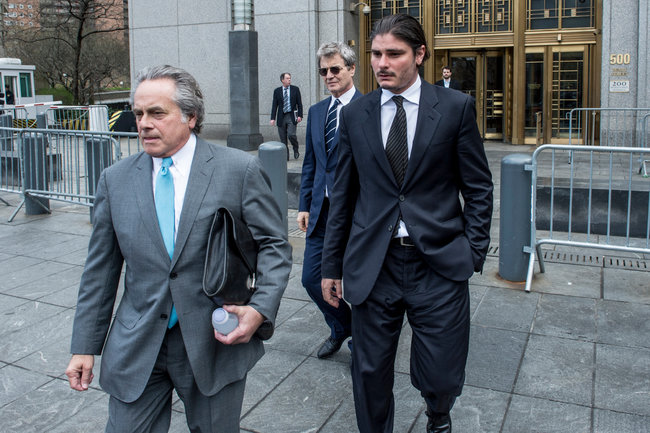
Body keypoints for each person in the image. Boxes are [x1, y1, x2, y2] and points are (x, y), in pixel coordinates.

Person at [65, 65, 292, 432]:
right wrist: (84, 345)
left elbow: (274, 246)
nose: (143, 123)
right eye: (139, 113)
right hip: (138, 342)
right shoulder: (115, 180)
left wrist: (259, 309)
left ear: (191, 116)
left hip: (214, 341)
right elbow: (100, 271)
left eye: (157, 113)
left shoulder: (238, 170)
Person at [321, 14, 493, 433]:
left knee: (442, 370)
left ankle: (438, 415)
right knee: (368, 371)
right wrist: (331, 266)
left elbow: (478, 187)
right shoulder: (356, 114)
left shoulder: (454, 108)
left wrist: (473, 251)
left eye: (394, 54)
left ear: (419, 55)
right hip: (373, 264)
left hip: (438, 262)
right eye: (376, 54)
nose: (382, 63)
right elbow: (343, 196)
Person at [297, 42, 362, 359]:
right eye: (323, 71)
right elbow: (311, 163)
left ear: (351, 68)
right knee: (311, 279)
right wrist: (304, 204)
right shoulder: (316, 111)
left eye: (335, 69)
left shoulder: (370, 108)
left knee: (359, 284)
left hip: (357, 215)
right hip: (321, 213)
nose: (329, 75)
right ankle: (342, 327)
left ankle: (362, 343)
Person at [270, 72, 303, 160]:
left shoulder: (295, 89)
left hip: (291, 116)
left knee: (291, 134)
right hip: (281, 116)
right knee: (283, 138)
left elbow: (299, 104)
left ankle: (295, 148)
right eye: (287, 78)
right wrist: (272, 118)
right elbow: (274, 105)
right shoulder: (277, 91)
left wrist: (300, 115)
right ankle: (286, 156)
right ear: (282, 80)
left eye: (290, 78)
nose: (289, 80)